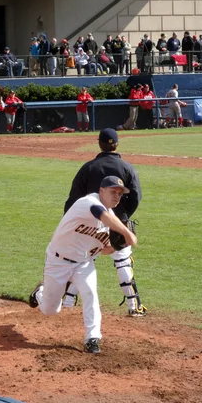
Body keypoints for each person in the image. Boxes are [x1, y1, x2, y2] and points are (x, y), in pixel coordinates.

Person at [29, 175, 138, 354]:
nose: (117, 196)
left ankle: (92, 338)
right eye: (113, 192)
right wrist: (126, 233)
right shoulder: (88, 203)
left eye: (120, 193)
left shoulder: (110, 220)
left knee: (90, 293)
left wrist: (119, 245)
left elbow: (104, 250)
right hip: (58, 261)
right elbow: (100, 214)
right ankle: (40, 293)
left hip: (83, 263)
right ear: (101, 191)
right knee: (50, 310)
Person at [62, 129, 144, 317]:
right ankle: (134, 307)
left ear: (99, 144)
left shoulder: (88, 167)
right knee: (122, 260)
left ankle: (67, 301)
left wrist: (75, 222)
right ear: (117, 144)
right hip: (118, 222)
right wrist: (122, 217)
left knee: (83, 260)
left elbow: (74, 198)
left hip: (89, 224)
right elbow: (136, 197)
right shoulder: (127, 168)